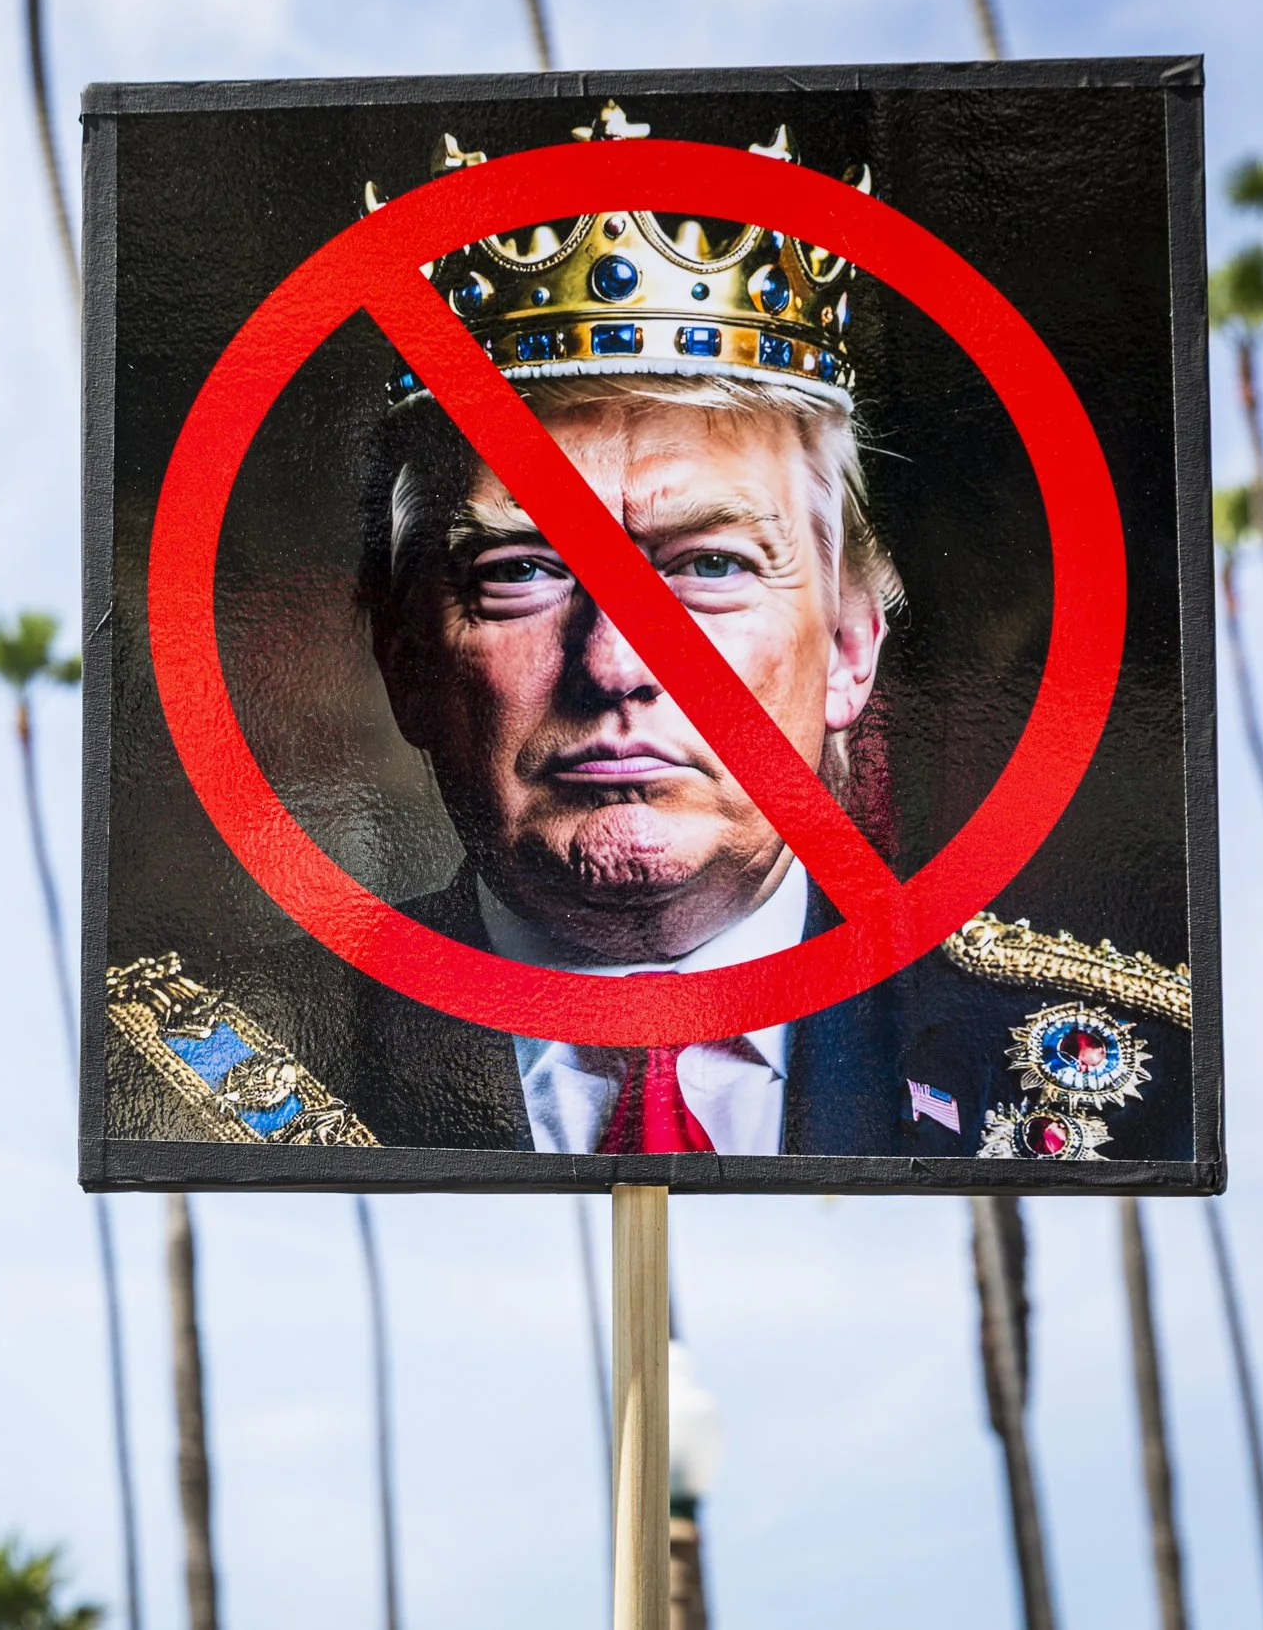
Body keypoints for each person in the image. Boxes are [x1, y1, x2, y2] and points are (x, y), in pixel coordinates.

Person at [106, 105, 1192, 1161]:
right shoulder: (168, 1089)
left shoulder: (1137, 1080)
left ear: (853, 646)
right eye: (525, 572)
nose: (618, 664)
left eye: (709, 566)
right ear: (406, 658)